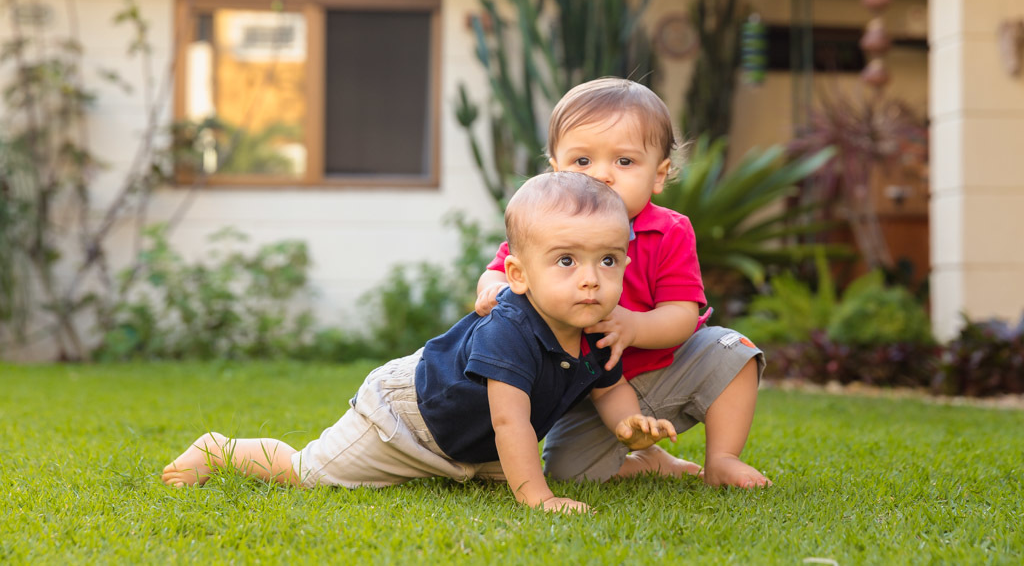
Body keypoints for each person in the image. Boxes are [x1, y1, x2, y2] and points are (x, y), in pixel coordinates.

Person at [162, 172, 677, 513]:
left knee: (509, 464)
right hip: (408, 419)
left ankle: (488, 470)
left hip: (475, 443)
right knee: (310, 472)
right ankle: (219, 450)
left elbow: (609, 388)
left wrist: (627, 425)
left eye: (607, 260)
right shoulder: (511, 329)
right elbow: (509, 421)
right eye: (566, 260)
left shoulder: (599, 328)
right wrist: (537, 498)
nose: (590, 279)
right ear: (518, 274)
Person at [476, 77, 770, 489]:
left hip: (666, 369)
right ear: (556, 170)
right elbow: (503, 268)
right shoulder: (548, 231)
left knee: (734, 352)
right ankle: (647, 461)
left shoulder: (669, 231)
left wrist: (633, 326)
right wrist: (491, 289)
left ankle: (722, 458)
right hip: (592, 389)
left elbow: (682, 314)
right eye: (582, 161)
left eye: (624, 162)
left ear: (659, 175)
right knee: (568, 473)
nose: (602, 175)